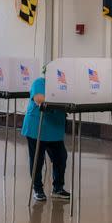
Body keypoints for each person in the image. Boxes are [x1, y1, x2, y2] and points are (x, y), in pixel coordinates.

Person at [22, 65, 70, 201]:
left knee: (61, 157)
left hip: (54, 129)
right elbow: (39, 99)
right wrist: (62, 102)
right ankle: (37, 189)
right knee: (37, 159)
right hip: (37, 127)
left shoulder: (64, 86)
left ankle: (58, 188)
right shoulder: (39, 82)